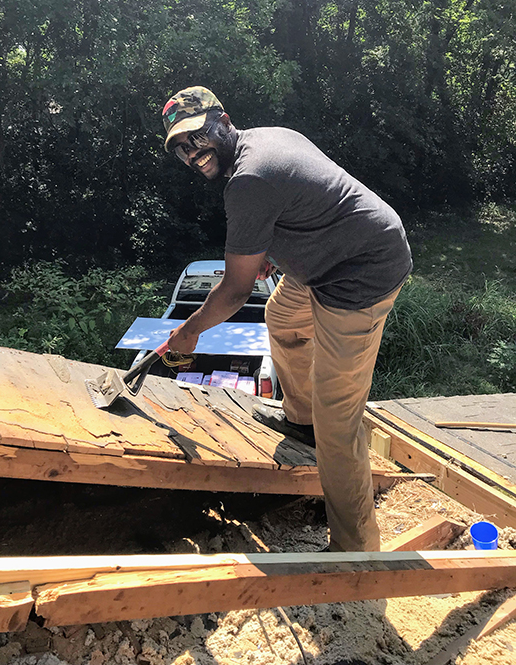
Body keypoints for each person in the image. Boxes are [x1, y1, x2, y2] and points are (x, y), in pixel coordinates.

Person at [162, 85, 412, 552]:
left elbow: (235, 291)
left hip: (357, 275)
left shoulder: (249, 179)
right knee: (281, 316)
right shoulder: (266, 139)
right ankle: (301, 421)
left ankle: (356, 548)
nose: (192, 153)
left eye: (197, 137)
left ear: (224, 120)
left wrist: (189, 332)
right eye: (181, 147)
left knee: (338, 421)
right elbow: (304, 204)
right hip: (327, 258)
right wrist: (272, 251)